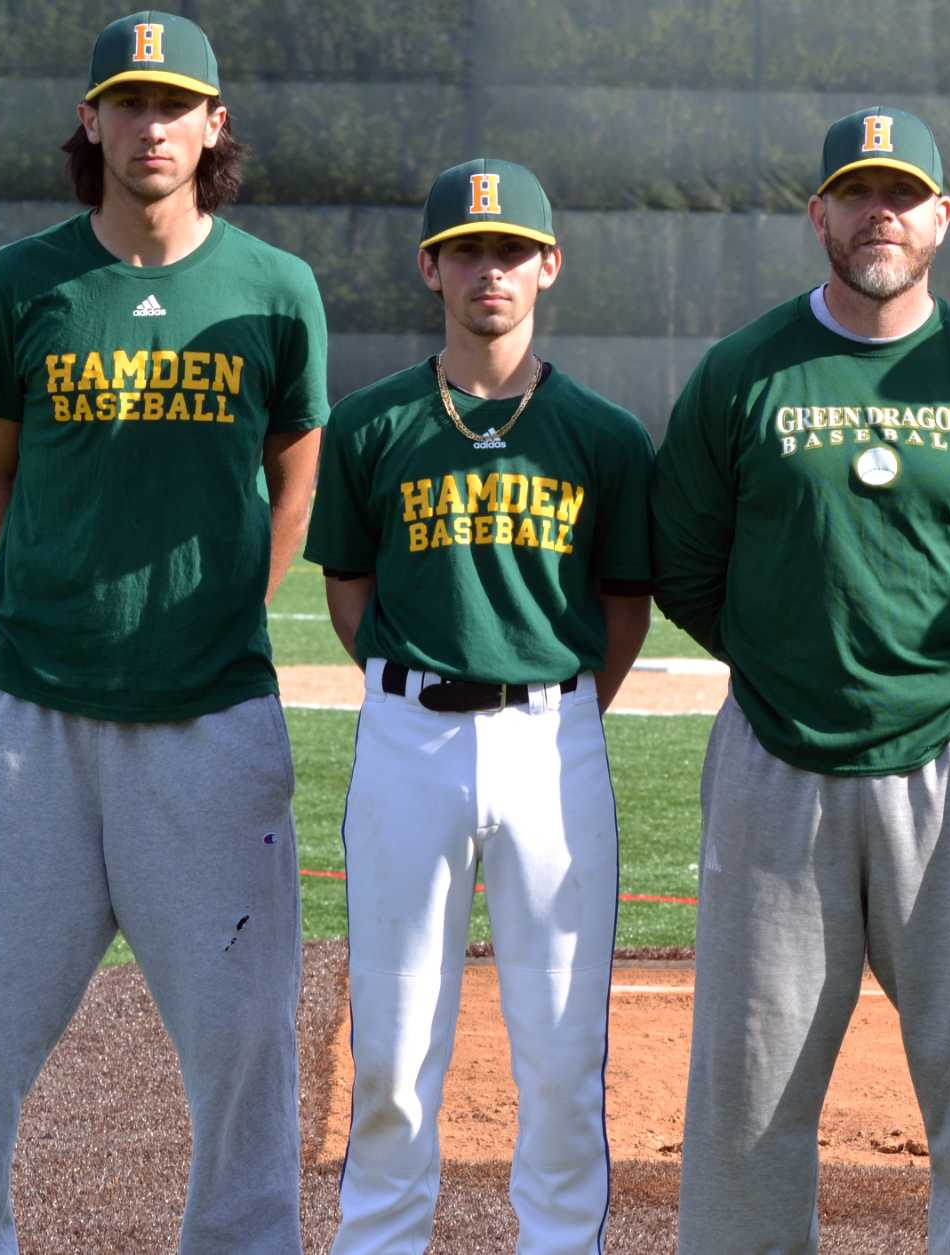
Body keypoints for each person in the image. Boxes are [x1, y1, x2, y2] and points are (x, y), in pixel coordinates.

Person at [0, 11, 327, 1252]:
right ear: (91, 121)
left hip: (209, 724)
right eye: (128, 104)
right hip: (30, 718)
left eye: (175, 105)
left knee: (246, 1052)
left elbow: (291, 484)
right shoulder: (23, 281)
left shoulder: (274, 286)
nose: (152, 127)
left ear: (215, 126)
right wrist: (66, 610)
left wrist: (206, 621)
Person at [653, 106, 950, 1255]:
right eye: (856, 191)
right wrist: (791, 662)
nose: (879, 212)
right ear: (819, 214)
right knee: (750, 1089)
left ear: (942, 218)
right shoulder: (743, 373)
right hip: (772, 755)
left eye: (903, 193)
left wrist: (944, 676)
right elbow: (687, 567)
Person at [305, 158, 653, 1253]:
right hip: (408, 736)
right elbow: (348, 593)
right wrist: (427, 690)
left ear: (549, 265)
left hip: (554, 737)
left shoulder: (602, 434)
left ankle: (559, 1242)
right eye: (467, 251)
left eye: (510, 251)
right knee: (396, 1045)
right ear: (431, 268)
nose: (487, 270)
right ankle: (378, 1242)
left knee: (559, 1050)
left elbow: (622, 607)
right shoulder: (370, 425)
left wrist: (549, 703)